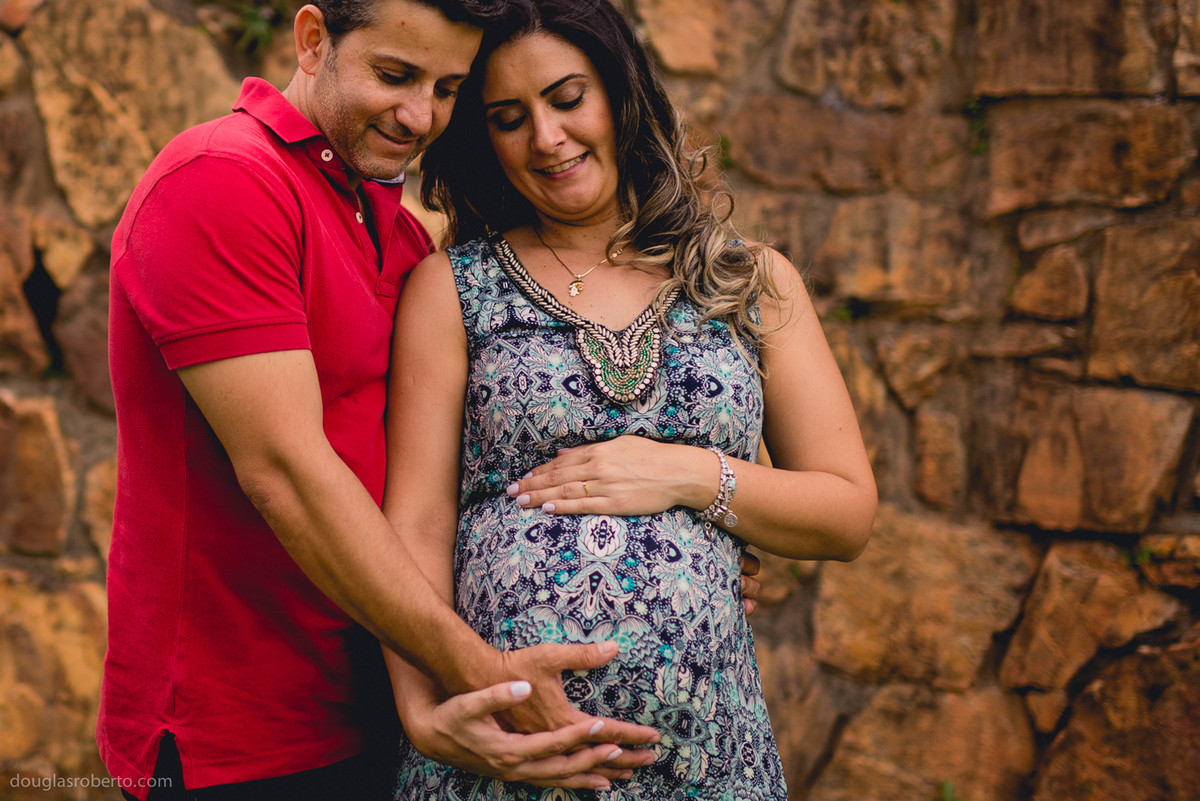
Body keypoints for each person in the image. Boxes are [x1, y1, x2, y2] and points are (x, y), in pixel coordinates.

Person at [99, 1, 673, 798]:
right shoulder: (223, 179)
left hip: (374, 706)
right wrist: (487, 677)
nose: (419, 115)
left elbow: (458, 476)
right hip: (237, 736)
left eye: (447, 88)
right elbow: (286, 471)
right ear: (312, 39)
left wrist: (679, 538)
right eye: (394, 75)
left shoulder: (395, 229)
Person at [381, 0, 878, 797]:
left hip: (707, 760)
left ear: (620, 92)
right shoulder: (453, 289)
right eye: (509, 118)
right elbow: (416, 522)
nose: (546, 138)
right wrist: (434, 706)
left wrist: (688, 476)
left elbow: (847, 510)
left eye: (568, 98)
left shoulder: (749, 282)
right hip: (501, 758)